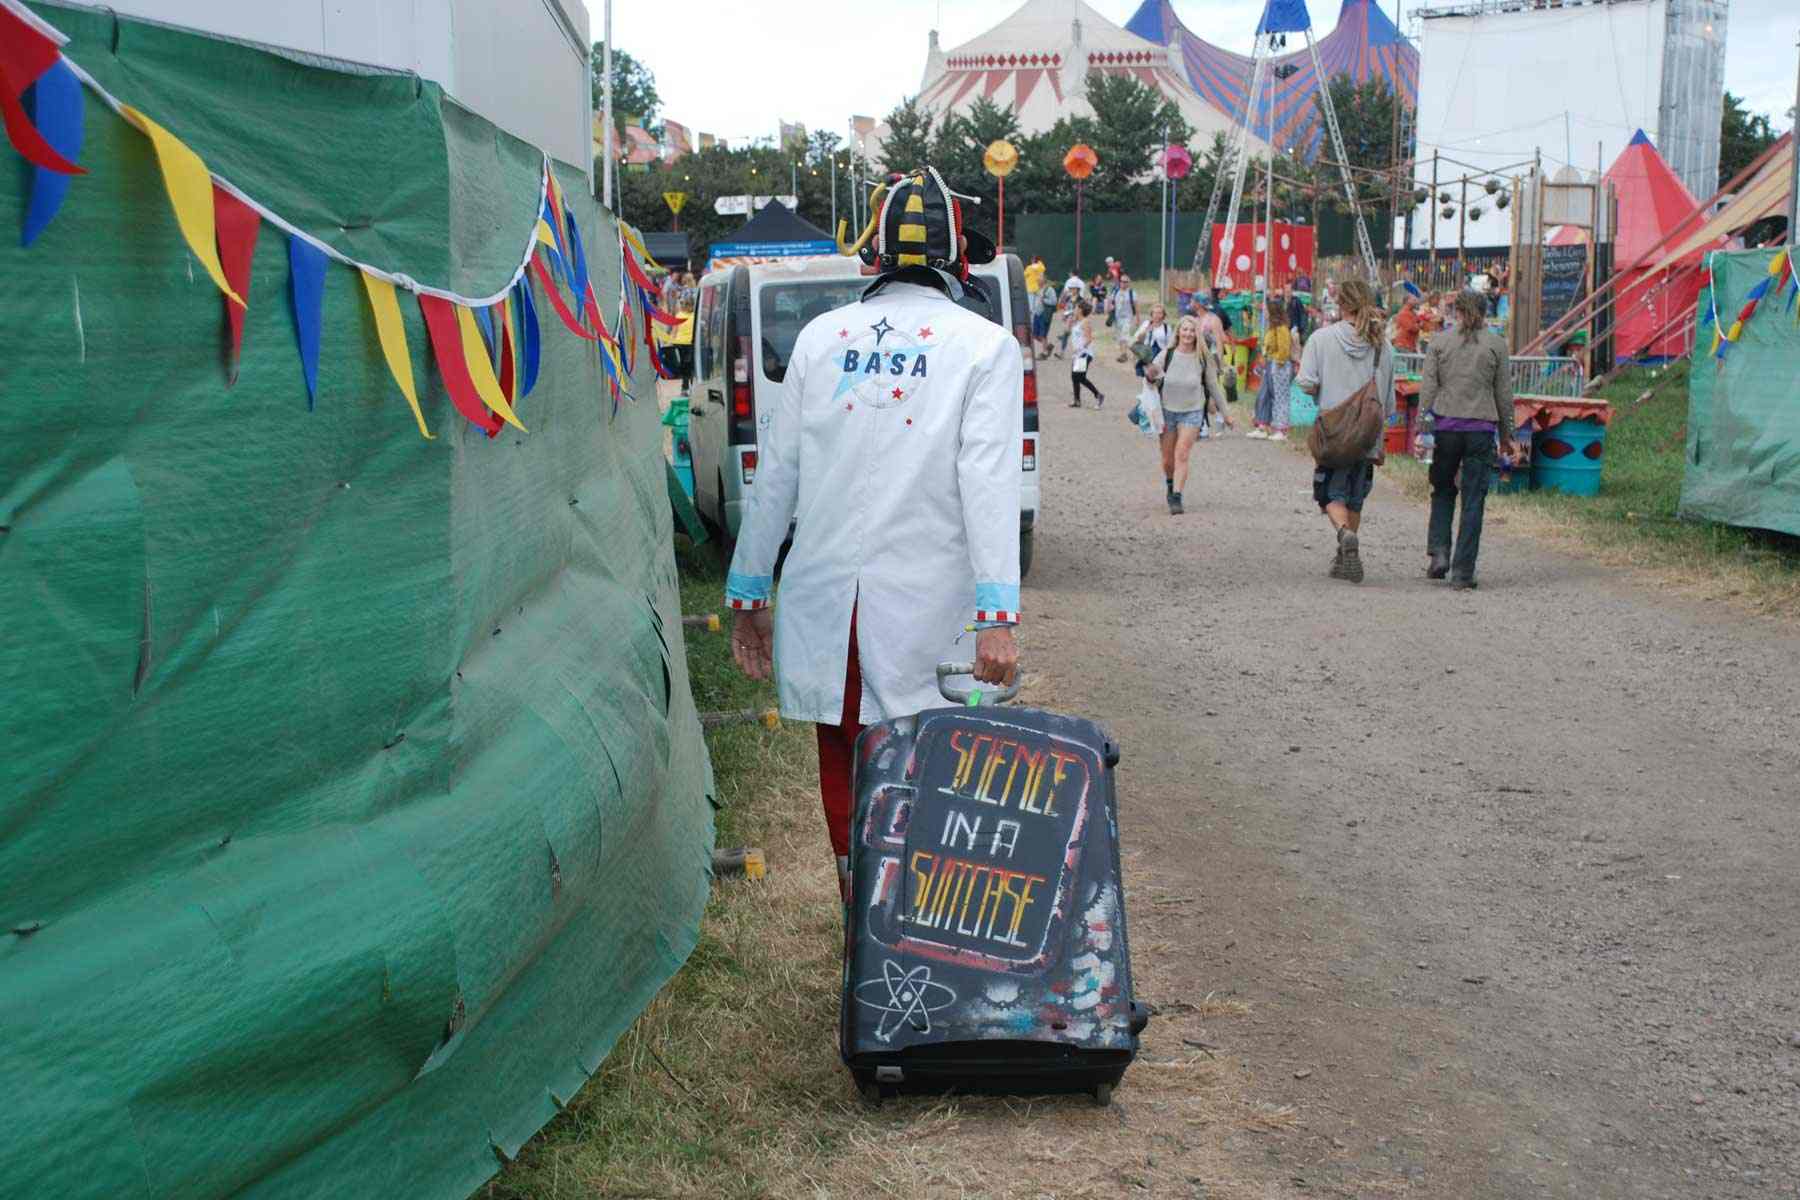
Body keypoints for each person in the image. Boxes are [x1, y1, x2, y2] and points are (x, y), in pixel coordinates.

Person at [727, 165, 1022, 898]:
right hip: (930, 615)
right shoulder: (986, 345)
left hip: (830, 609)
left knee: (846, 772)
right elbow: (989, 485)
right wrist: (998, 618)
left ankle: (862, 926)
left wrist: (749, 596)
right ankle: (910, 928)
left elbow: (775, 478)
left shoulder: (820, 339)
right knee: (934, 774)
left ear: (873, 255)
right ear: (958, 257)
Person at [1297, 277, 1395, 584]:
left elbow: (1306, 382)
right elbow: (1389, 401)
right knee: (1355, 497)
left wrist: (1327, 390)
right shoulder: (1383, 346)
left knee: (1330, 494)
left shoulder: (1321, 339)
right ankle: (1344, 555)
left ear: (1340, 304)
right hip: (1368, 434)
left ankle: (1344, 535)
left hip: (1334, 432)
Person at [1420, 291, 1518, 589]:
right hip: (1481, 430)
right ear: (1485, 312)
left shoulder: (1440, 342)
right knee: (1474, 498)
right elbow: (1504, 394)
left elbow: (1428, 389)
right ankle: (1463, 572)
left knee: (1443, 489)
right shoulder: (1496, 345)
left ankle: (1439, 553)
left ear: (1457, 311)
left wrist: (1422, 428)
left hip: (1446, 428)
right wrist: (1507, 436)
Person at [1155, 314, 1233, 514]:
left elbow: (1214, 386)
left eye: (1192, 330)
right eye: (1185, 329)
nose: (1188, 334)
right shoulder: (1166, 355)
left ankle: (1177, 496)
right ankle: (1170, 483)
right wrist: (1149, 376)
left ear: (1197, 334)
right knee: (1167, 459)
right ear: (1178, 332)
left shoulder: (1203, 358)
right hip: (1167, 411)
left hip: (1192, 411)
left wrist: (1226, 414)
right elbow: (1152, 378)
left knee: (1182, 453)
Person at [1248, 300, 1298, 441]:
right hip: (1270, 364)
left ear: (1272, 311)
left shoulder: (1281, 328)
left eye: (1266, 310)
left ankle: (1282, 430)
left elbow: (1284, 349)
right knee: (1264, 394)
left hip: (1280, 366)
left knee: (1280, 397)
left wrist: (1277, 363)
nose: (1264, 312)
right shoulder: (1272, 328)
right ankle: (1262, 426)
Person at [1068, 300, 1103, 407]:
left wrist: (1079, 348)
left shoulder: (1086, 322)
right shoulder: (1077, 321)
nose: (1074, 310)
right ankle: (1077, 400)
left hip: (1084, 353)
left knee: (1079, 376)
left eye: (1076, 308)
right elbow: (1069, 332)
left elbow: (1089, 339)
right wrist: (1070, 322)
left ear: (1080, 310)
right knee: (1075, 377)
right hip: (1077, 354)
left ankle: (1098, 395)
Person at [1128, 302, 1173, 377]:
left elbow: (1170, 344)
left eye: (1159, 313)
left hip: (1160, 355)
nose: (1157, 315)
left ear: (1163, 315)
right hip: (1147, 354)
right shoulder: (1146, 323)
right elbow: (1137, 339)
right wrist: (1146, 331)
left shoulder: (1167, 328)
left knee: (1159, 376)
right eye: (1155, 313)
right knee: (1148, 377)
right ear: (1152, 314)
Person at [1112, 274, 1138, 360]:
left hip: (1127, 318)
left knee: (1125, 335)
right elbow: (1111, 302)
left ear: (1128, 283)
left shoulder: (1132, 293)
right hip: (1117, 318)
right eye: (1122, 281)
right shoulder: (1116, 291)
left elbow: (1136, 306)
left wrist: (1137, 318)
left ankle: (1124, 354)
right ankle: (1124, 353)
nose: (1123, 283)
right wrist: (1109, 310)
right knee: (1119, 337)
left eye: (1125, 282)